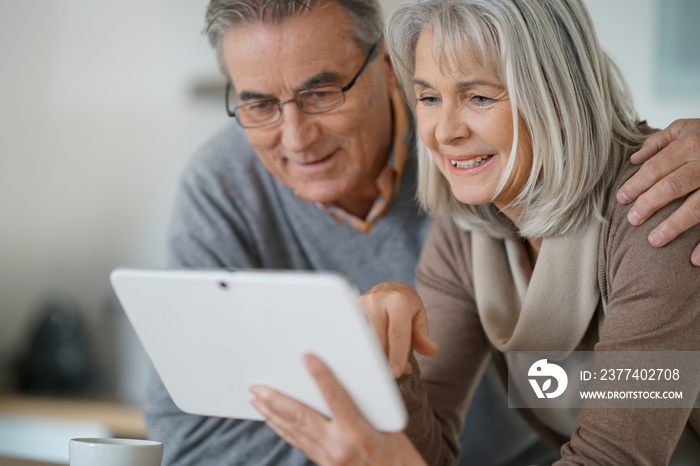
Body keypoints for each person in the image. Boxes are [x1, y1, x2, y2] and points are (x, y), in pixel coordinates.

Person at [145, 0, 700, 464]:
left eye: (480, 96)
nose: (443, 132)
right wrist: (394, 361)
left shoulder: (658, 210)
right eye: (429, 98)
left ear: (557, 92)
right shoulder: (470, 225)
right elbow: (428, 445)